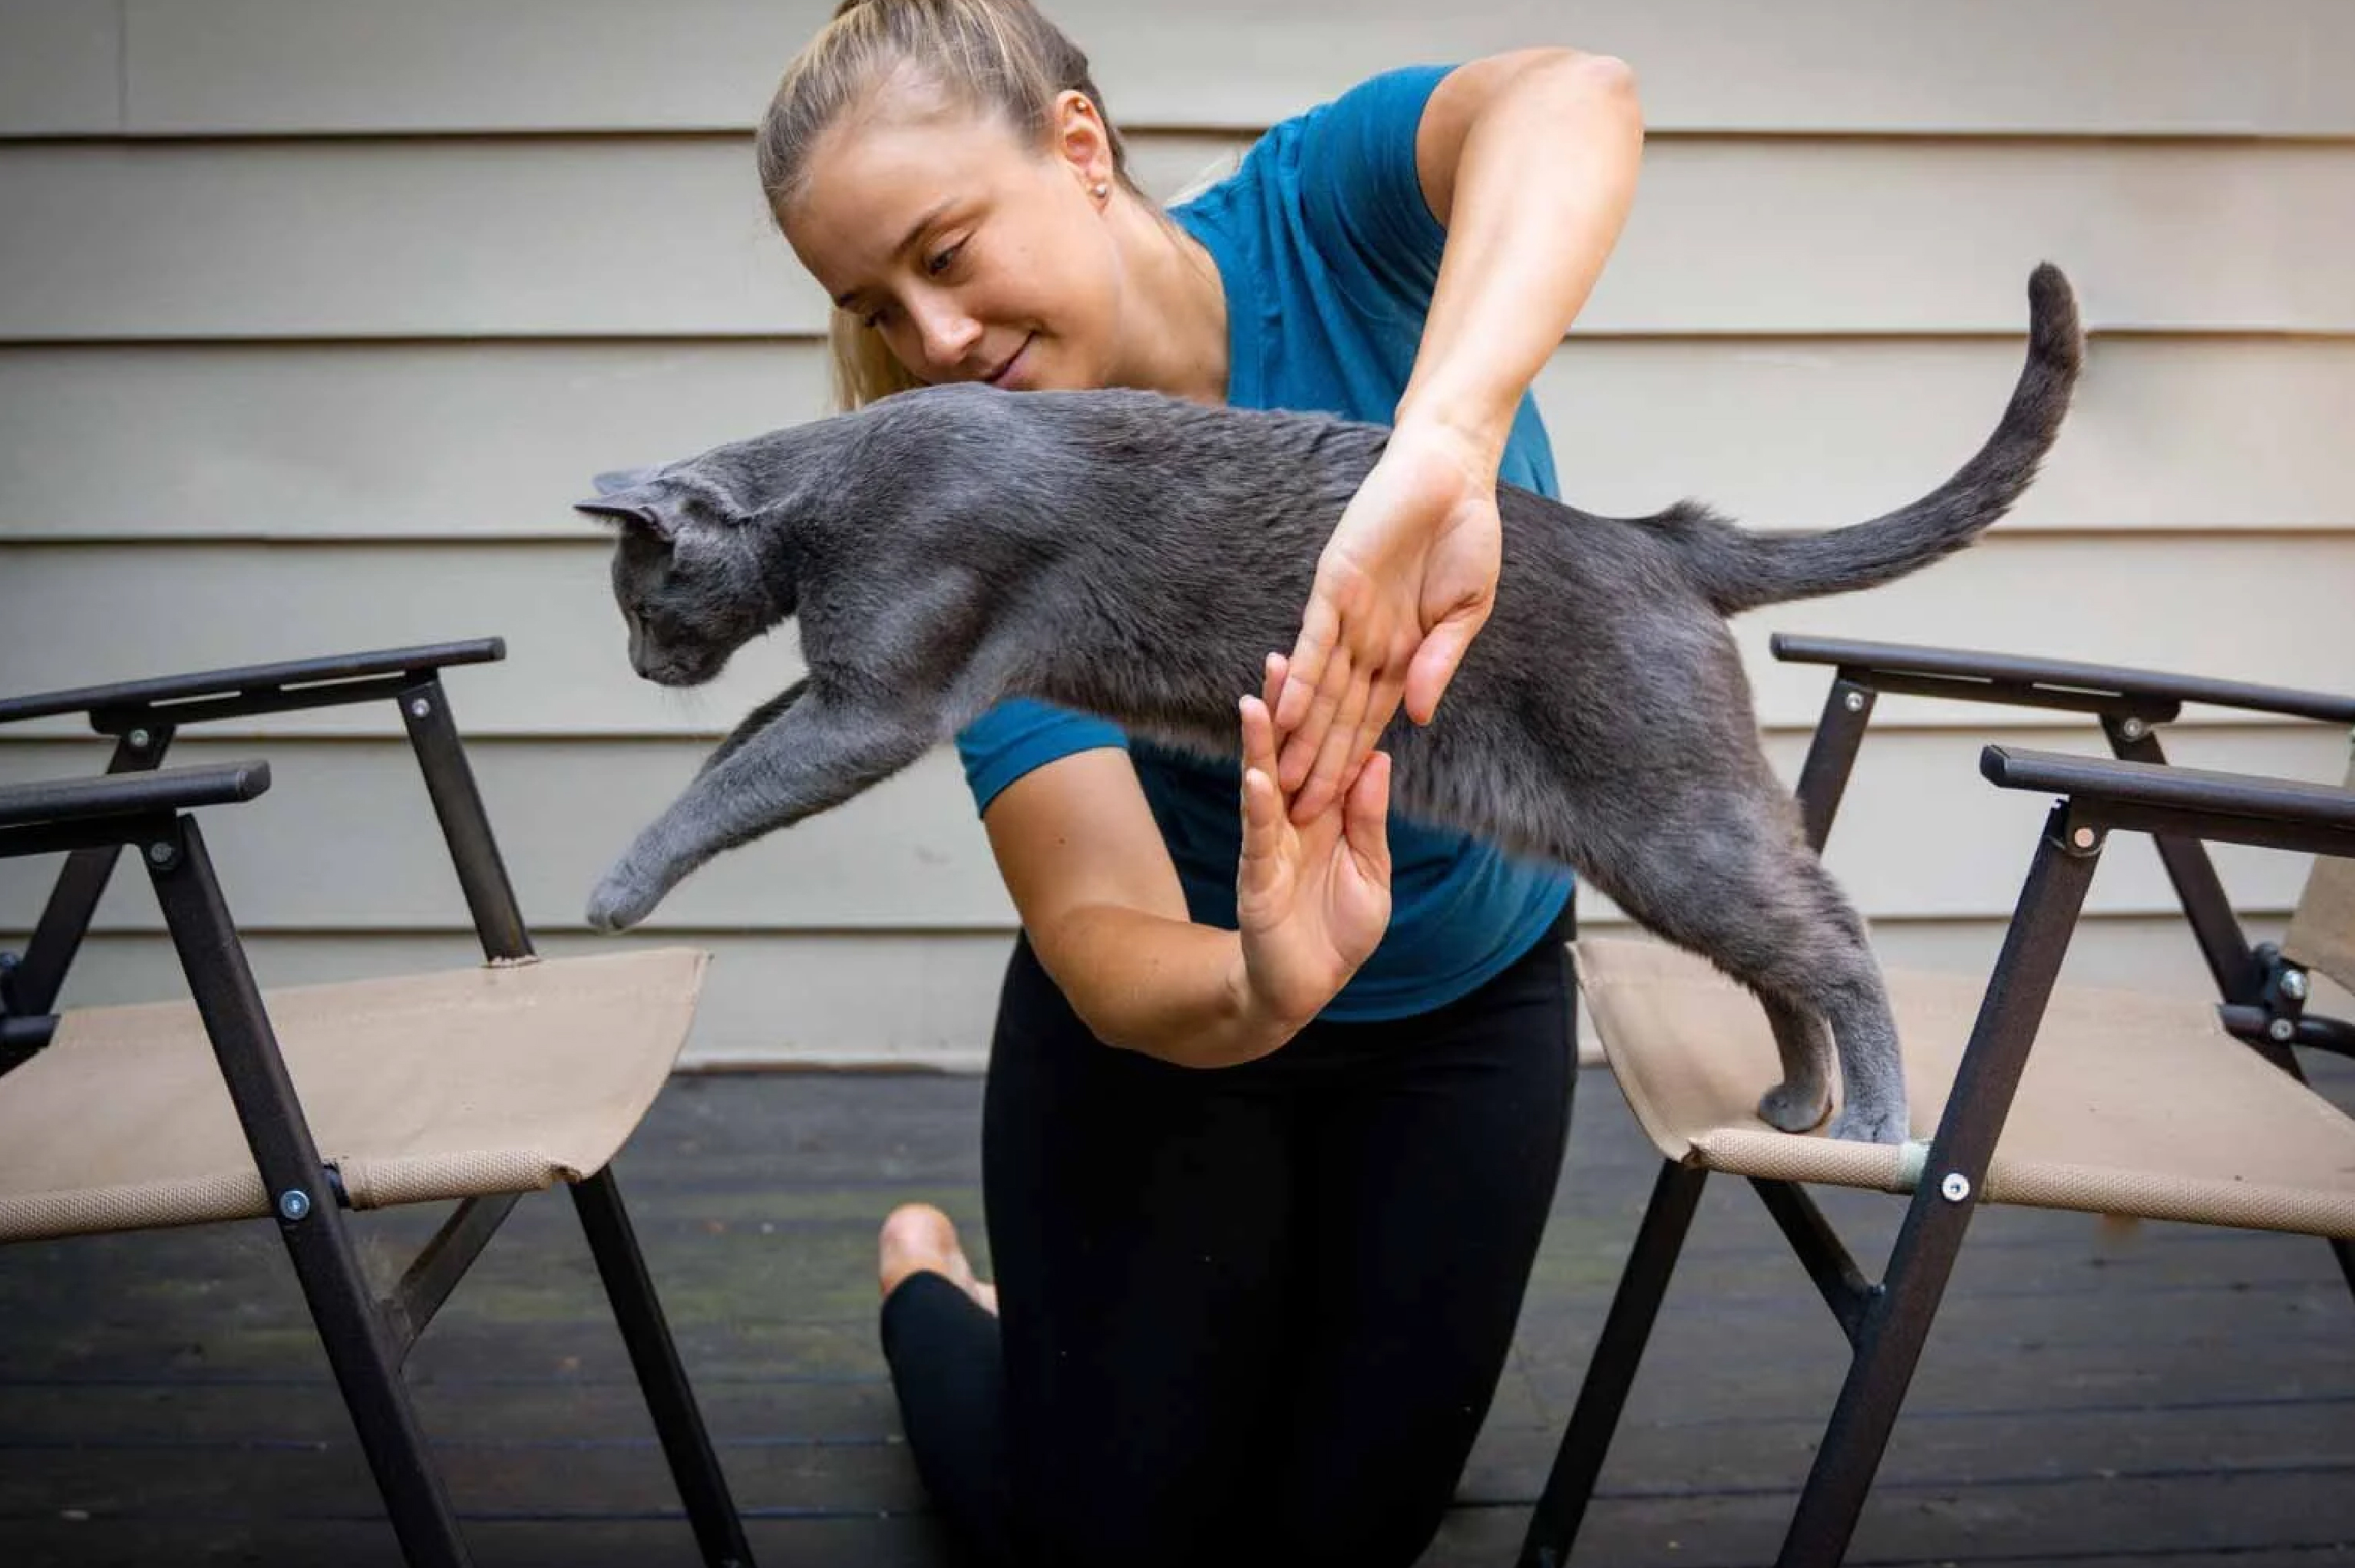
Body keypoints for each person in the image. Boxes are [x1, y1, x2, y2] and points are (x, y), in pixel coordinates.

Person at [755, 2, 1641, 1561]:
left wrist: (1440, 444)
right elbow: (1097, 923)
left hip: (1465, 1019)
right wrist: (1257, 979)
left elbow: (1573, 97)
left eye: (946, 250)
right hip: (1176, 1042)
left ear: (1079, 149)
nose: (934, 337)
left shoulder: (1326, 220)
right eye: (879, 305)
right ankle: (928, 1281)